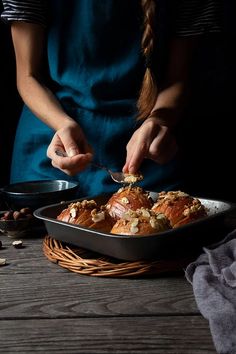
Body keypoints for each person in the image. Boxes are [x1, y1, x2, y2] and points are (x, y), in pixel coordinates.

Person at [1, 0, 221, 198]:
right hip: (51, 145)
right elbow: (27, 76)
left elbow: (177, 79)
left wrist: (159, 121)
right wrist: (63, 124)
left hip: (150, 152)